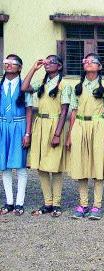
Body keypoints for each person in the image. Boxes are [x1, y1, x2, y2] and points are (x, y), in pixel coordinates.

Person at [21, 55, 70, 217]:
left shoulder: (64, 85)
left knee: (55, 166)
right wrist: (34, 68)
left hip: (55, 124)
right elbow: (24, 87)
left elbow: (64, 111)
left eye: (52, 62)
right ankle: (47, 203)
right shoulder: (42, 83)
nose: (47, 64)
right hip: (40, 125)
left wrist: (57, 134)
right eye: (46, 62)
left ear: (60, 66)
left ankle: (56, 203)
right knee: (41, 165)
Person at [66, 53, 104, 220]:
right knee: (81, 164)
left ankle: (97, 206)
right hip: (79, 125)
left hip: (98, 126)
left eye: (93, 61)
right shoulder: (77, 86)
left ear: (100, 67)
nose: (89, 63)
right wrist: (70, 134)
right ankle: (83, 204)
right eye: (86, 60)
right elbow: (73, 111)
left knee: (97, 165)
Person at [0, 54, 32, 216]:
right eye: (6, 62)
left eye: (13, 63)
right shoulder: (1, 84)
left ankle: (20, 202)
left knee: (20, 164)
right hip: (2, 125)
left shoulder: (24, 86)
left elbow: (29, 110)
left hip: (19, 125)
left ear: (20, 67)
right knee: (3, 165)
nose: (9, 65)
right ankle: (9, 202)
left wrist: (27, 132)